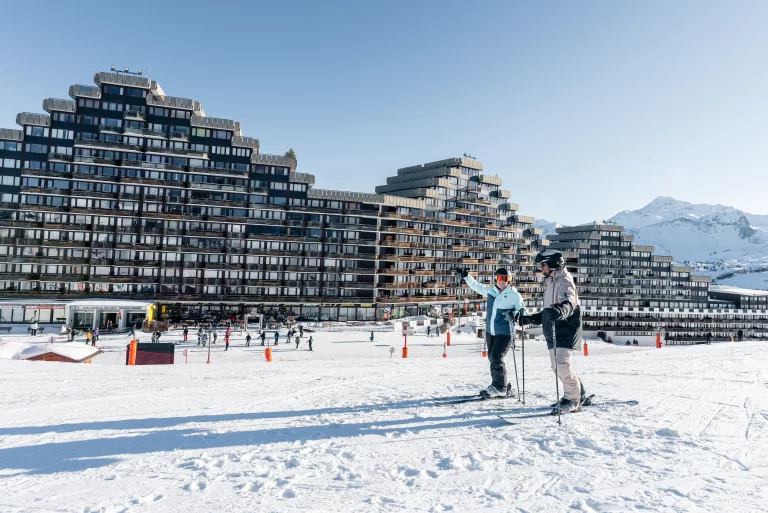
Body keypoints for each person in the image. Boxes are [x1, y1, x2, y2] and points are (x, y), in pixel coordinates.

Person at [518, 250, 586, 413]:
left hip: (565, 329)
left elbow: (569, 304)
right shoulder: (552, 281)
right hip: (553, 329)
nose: (542, 268)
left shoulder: (564, 281)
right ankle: (578, 393)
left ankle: (572, 399)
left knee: (562, 365)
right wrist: (531, 319)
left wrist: (560, 312)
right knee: (557, 366)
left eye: (544, 264)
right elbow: (549, 311)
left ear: (553, 264)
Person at [456, 266, 525, 398]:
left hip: (505, 332)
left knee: (496, 357)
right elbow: (476, 286)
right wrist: (466, 276)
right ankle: (497, 385)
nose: (502, 281)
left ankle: (500, 387)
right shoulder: (490, 291)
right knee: (492, 358)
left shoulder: (514, 295)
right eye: (499, 278)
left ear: (509, 280)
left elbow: (522, 311)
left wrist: (515, 315)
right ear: (495, 279)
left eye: (505, 279)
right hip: (491, 331)